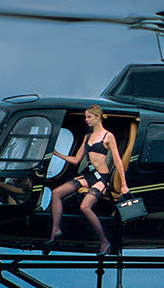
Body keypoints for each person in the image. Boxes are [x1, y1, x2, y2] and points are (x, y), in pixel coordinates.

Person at [46, 105, 129, 254]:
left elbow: (117, 161)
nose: (86, 120)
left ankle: (104, 241)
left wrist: (124, 185)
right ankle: (55, 230)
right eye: (85, 117)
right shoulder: (87, 137)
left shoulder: (108, 136)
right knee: (57, 193)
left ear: (98, 117)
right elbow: (76, 160)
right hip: (89, 175)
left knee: (85, 207)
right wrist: (57, 154)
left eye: (89, 117)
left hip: (101, 178)